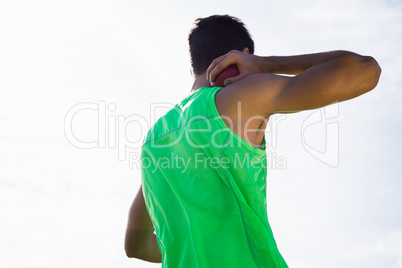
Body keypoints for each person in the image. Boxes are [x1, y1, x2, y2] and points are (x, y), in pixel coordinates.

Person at [124, 15, 381, 267]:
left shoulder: (153, 144)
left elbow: (135, 246)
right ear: (241, 55)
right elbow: (365, 69)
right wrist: (266, 64)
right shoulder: (242, 98)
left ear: (193, 67)